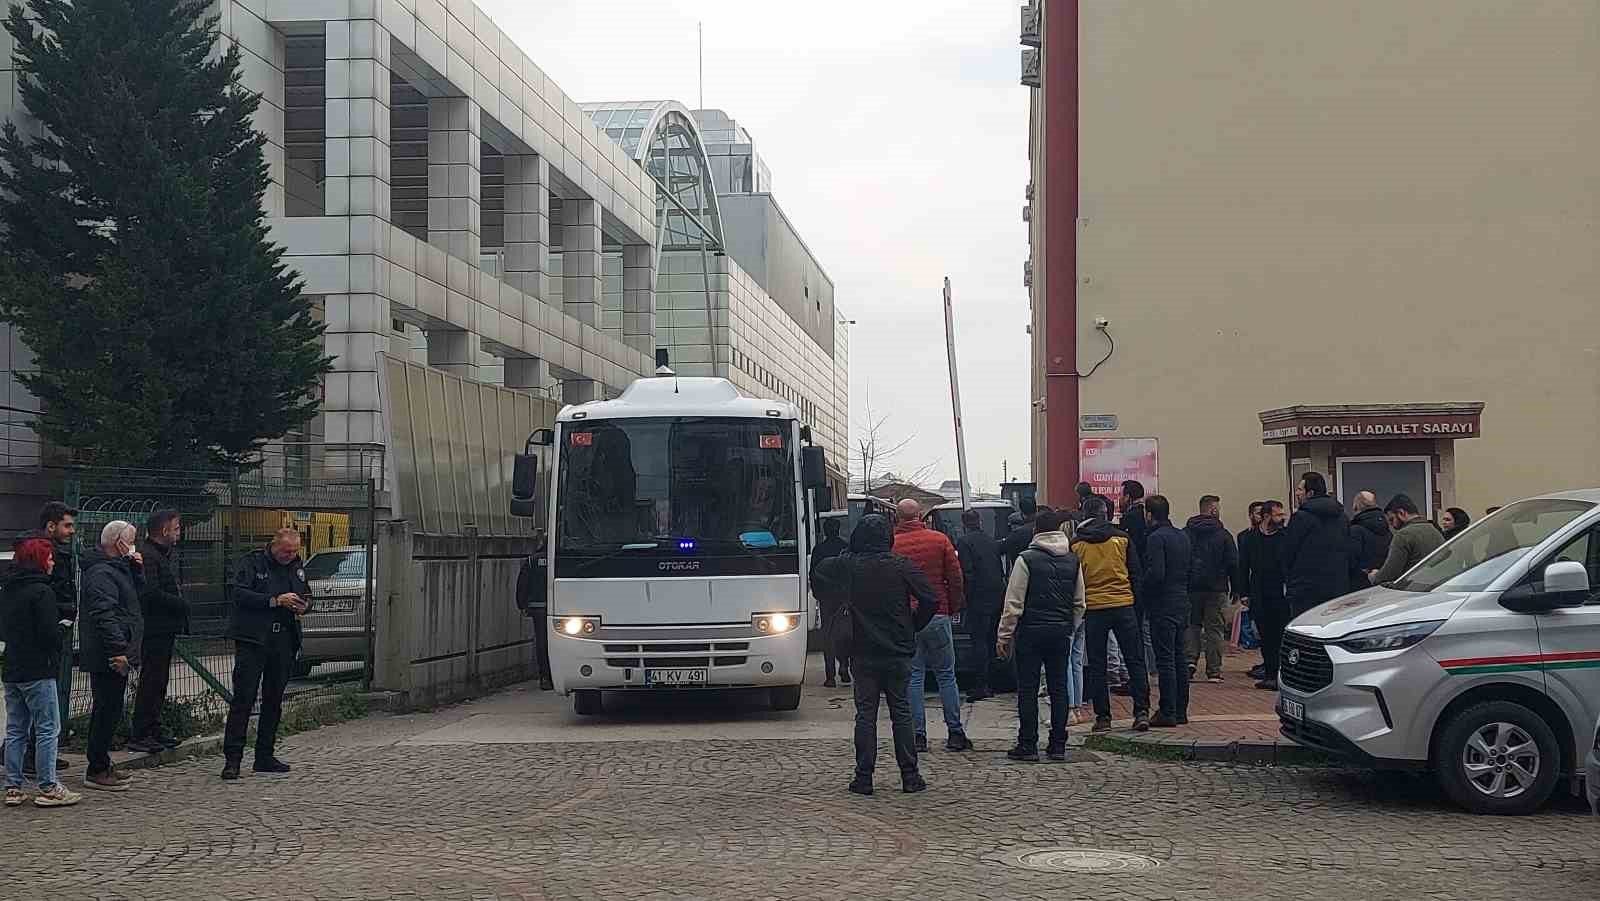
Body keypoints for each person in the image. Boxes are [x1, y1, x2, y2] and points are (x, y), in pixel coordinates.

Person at [812, 514, 937, 795]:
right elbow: (930, 599)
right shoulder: (901, 565)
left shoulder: (849, 564)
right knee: (901, 712)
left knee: (866, 715)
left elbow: (820, 570)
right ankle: (910, 775)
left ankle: (864, 777)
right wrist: (913, 625)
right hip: (897, 649)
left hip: (863, 650)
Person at [996, 510, 1086, 761]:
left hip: (1030, 633)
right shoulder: (1073, 560)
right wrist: (1070, 627)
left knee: (1028, 689)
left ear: (1036, 531)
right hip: (1060, 633)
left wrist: (1004, 636)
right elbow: (1079, 602)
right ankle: (1058, 744)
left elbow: (1013, 603)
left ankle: (1028, 744)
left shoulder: (1026, 559)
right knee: (1059, 688)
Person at [222, 528, 310, 780]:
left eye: (294, 552)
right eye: (286, 551)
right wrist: (275, 600)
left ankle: (264, 756)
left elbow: (306, 592)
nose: (290, 556)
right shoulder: (253, 563)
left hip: (283, 640)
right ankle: (233, 759)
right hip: (254, 639)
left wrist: (304, 605)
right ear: (274, 545)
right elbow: (238, 594)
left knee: (274, 700)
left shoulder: (296, 566)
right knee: (244, 699)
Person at [2, 538, 81, 808]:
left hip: (13, 667)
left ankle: (13, 787)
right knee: (48, 728)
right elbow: (49, 635)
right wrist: (64, 626)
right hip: (39, 669)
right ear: (39, 561)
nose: (52, 562)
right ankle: (49, 786)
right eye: (48, 558)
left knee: (16, 729)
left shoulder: (8, 589)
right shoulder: (42, 592)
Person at [891, 499, 970, 752]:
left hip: (907, 619)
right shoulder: (940, 540)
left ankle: (918, 736)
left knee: (914, 676)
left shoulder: (892, 545)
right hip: (938, 614)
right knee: (946, 674)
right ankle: (955, 732)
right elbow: (955, 577)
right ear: (920, 516)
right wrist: (952, 606)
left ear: (898, 517)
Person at [1070, 496, 1150, 733]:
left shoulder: (1077, 544)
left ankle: (1103, 717)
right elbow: (1136, 574)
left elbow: (1075, 581)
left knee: (1097, 665)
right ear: (1106, 515)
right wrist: (1136, 606)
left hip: (1094, 609)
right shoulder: (1122, 539)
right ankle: (1141, 712)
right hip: (1123, 605)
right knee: (1135, 660)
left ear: (1085, 516)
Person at [14, 501, 77, 780]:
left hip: (37, 639)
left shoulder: (50, 552)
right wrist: (63, 617)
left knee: (25, 715)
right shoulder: (43, 556)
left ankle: (29, 758)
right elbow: (51, 592)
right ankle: (39, 766)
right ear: (51, 526)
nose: (72, 531)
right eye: (67, 525)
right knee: (41, 712)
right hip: (45, 637)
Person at [79, 521, 143, 792]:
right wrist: (119, 650)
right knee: (106, 709)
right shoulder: (101, 573)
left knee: (111, 708)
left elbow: (133, 601)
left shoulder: (118, 568)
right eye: (132, 539)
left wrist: (136, 570)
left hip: (116, 648)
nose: (134, 545)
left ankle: (102, 762)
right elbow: (105, 614)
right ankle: (97, 767)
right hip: (108, 654)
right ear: (119, 543)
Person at [129, 510, 188, 753]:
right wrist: (180, 603)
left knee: (159, 681)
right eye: (176, 528)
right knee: (152, 681)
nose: (179, 533)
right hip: (154, 628)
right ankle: (142, 731)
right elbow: (150, 593)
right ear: (164, 531)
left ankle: (153, 727)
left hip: (164, 628)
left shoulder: (161, 554)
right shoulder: (150, 556)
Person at [1141, 496, 1192, 727]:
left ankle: (1167, 710)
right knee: (1179, 657)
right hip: (1182, 600)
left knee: (1165, 660)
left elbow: (1156, 573)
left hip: (1163, 604)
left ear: (1149, 515)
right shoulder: (1182, 536)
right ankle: (1181, 710)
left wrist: (1142, 588)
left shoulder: (1155, 538)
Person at [1279, 472, 1353, 617]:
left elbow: (1288, 553)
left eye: (1300, 489)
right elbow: (1349, 549)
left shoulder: (1301, 517)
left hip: (1305, 591)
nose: (1296, 493)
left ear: (1310, 493)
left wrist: (1290, 581)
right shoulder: (1342, 517)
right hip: (1337, 588)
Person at [1183, 495, 1237, 684]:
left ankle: (1189, 662)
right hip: (1216, 588)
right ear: (1213, 510)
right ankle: (1213, 670)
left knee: (1192, 626)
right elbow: (1233, 562)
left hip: (1191, 587)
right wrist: (1236, 587)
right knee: (1214, 629)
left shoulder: (1186, 532)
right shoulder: (1223, 535)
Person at [954, 508, 1004, 702]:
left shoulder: (964, 542)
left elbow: (967, 572)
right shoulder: (991, 541)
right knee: (991, 640)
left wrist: (965, 597)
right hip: (996, 595)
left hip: (978, 598)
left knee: (979, 642)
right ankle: (992, 681)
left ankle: (980, 685)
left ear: (964, 524)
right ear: (980, 522)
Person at [1248, 501, 1290, 690]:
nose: (1282, 518)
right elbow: (1244, 565)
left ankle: (1281, 674)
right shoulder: (1251, 538)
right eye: (1278, 515)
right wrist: (1244, 592)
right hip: (1259, 593)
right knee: (1265, 635)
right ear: (1266, 517)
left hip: (1281, 593)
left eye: (1282, 514)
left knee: (1280, 634)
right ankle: (1270, 673)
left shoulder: (1285, 537)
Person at [809, 518, 851, 688]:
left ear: (825, 532)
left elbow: (813, 575)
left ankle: (830, 676)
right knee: (845, 633)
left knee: (828, 635)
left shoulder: (819, 550)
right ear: (838, 530)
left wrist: (818, 595)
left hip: (826, 598)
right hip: (844, 599)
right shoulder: (846, 548)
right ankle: (844, 667)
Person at [1370, 494, 1445, 585]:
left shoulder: (1403, 535)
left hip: (1413, 588)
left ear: (1401, 513)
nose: (1392, 525)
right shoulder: (1434, 530)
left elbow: (1390, 573)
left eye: (1392, 519)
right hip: (1436, 586)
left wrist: (1374, 576)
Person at [514, 530, 553, 691]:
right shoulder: (559, 561)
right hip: (558, 609)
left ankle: (545, 677)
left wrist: (522, 605)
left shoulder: (531, 561)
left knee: (542, 641)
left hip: (538, 608)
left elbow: (522, 585)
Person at [1236, 501, 1266, 680]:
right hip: (1254, 586)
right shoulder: (1244, 537)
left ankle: (1269, 662)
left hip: (1269, 587)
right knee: (1257, 626)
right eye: (1256, 513)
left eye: (1262, 513)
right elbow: (1243, 566)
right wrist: (1243, 591)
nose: (1260, 516)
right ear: (1250, 515)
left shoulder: (1274, 535)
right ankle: (1265, 661)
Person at [1347, 490, 1393, 583]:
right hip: (1383, 581)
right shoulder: (1387, 529)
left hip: (1360, 583)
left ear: (1356, 507)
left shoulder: (1355, 531)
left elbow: (1350, 560)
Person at [1000, 497, 1039, 569]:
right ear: (1036, 509)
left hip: (1023, 569)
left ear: (1022, 512)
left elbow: (1002, 547)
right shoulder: (1044, 526)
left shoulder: (1019, 533)